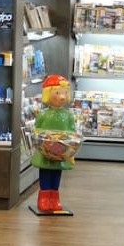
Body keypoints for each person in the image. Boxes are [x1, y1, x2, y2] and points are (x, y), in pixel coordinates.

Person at [31, 74, 81, 214]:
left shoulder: (68, 115)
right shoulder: (43, 115)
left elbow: (72, 133)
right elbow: (37, 131)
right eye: (58, 93)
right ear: (48, 94)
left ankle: (54, 198)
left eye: (64, 93)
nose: (62, 97)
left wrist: (71, 150)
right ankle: (44, 198)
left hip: (61, 152)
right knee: (46, 172)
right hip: (45, 151)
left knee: (57, 173)